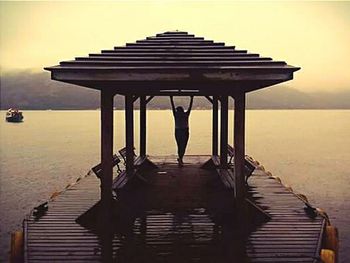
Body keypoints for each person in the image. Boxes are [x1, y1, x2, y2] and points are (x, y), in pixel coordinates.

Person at [170, 96, 194, 166]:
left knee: (180, 145)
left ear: (179, 110)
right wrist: (192, 98)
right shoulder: (185, 114)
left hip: (179, 131)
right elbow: (190, 107)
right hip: (184, 131)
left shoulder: (177, 115)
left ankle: (180, 158)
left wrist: (171, 99)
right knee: (183, 145)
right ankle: (180, 159)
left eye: (177, 110)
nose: (176, 110)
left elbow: (172, 106)